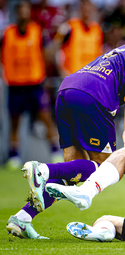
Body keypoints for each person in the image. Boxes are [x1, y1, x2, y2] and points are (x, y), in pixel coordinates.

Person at [6, 23, 125, 239]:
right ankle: (43, 170)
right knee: (107, 168)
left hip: (68, 89)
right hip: (94, 95)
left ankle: (23, 218)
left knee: (73, 173)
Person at [0, 0, 59, 170]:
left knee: (46, 117)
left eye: (26, 9)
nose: (23, 13)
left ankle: (55, 152)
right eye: (21, 10)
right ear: (16, 12)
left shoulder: (37, 32)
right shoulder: (8, 33)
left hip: (35, 83)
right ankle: (14, 156)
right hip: (15, 84)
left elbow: (46, 54)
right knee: (14, 121)